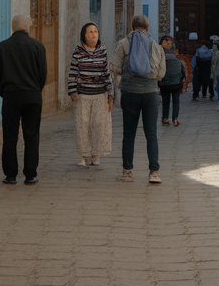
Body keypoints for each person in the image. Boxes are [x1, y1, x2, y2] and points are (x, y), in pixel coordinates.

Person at [0, 14, 47, 185]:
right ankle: (30, 174)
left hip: (11, 96)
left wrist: (5, 92)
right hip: (32, 96)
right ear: (28, 26)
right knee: (31, 135)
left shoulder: (2, 47)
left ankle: (10, 175)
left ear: (13, 27)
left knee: (10, 136)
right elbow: (42, 75)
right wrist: (35, 90)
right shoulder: (38, 47)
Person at [111, 15, 167, 183]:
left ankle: (127, 171)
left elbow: (114, 67)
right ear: (147, 28)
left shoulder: (123, 44)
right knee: (151, 134)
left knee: (129, 133)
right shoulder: (156, 46)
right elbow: (161, 74)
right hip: (150, 94)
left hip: (129, 93)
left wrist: (128, 74)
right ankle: (154, 172)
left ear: (132, 26)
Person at [67, 21, 113, 167]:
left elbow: (107, 73)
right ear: (84, 35)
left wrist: (110, 95)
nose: (94, 34)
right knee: (82, 125)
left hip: (100, 94)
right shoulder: (78, 51)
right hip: (82, 95)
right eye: (90, 32)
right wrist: (73, 91)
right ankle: (83, 156)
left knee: (98, 125)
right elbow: (73, 72)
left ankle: (96, 155)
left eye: (96, 32)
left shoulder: (103, 50)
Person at [158, 34, 186, 127]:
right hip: (176, 84)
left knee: (165, 101)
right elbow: (182, 72)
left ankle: (165, 118)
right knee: (176, 101)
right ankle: (175, 119)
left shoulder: (160, 57)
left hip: (164, 84)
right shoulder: (177, 59)